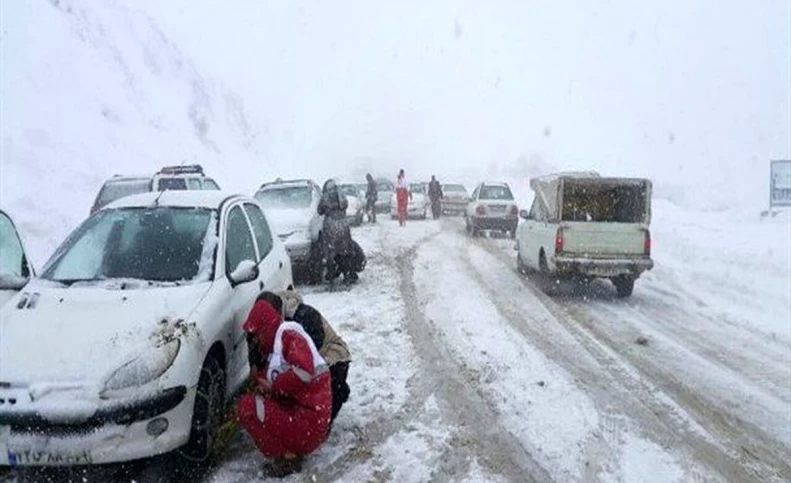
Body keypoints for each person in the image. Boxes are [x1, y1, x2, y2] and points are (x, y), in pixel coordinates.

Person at [237, 297, 332, 478]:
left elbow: (303, 373)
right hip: (309, 421)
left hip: (308, 422)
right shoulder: (279, 345)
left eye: (257, 334)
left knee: (248, 408)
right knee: (256, 403)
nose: (256, 340)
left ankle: (287, 457)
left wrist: (273, 387)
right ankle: (290, 451)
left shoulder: (289, 335)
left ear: (265, 327)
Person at [280, 289, 351, 424]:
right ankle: (338, 389)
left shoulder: (303, 316)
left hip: (335, 357)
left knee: (321, 418)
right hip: (327, 359)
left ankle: (338, 391)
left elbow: (312, 351)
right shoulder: (284, 312)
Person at [317, 179, 354, 283]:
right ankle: (347, 277)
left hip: (330, 228)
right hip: (343, 227)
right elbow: (345, 205)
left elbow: (319, 211)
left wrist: (327, 208)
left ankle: (332, 280)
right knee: (345, 253)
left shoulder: (324, 197)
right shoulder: (342, 196)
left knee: (330, 255)